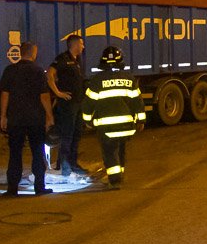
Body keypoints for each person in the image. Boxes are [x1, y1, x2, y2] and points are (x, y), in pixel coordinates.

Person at [81, 45, 145, 189]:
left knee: (110, 152)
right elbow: (137, 102)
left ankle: (115, 180)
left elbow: (88, 103)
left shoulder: (97, 80)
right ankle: (120, 174)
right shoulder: (129, 78)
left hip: (107, 127)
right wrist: (141, 120)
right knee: (120, 149)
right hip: (126, 126)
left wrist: (87, 120)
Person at [0, 41, 55, 196]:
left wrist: (3, 116)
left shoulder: (10, 70)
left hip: (15, 119)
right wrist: (49, 117)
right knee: (37, 151)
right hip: (35, 119)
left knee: (15, 152)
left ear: (20, 53)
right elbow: (44, 97)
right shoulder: (38, 71)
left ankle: (12, 188)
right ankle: (39, 187)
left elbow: (5, 95)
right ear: (33, 53)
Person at [47, 34, 88, 178]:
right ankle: (65, 166)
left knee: (77, 134)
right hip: (68, 105)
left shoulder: (77, 60)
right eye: (81, 44)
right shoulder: (63, 59)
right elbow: (49, 74)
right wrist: (58, 93)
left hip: (78, 103)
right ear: (75, 44)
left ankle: (73, 163)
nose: (83, 46)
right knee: (67, 135)